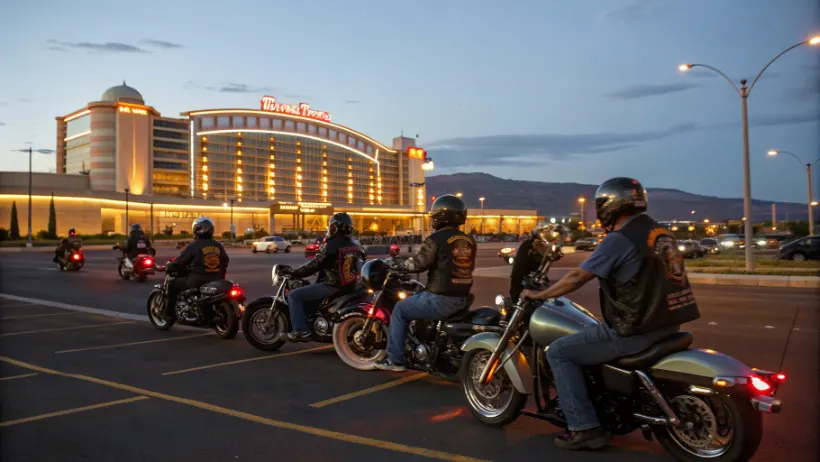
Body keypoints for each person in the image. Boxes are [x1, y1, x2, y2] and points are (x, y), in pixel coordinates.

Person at [520, 177, 701, 451]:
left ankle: (584, 427)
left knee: (558, 352)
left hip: (634, 329)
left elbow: (579, 276)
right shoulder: (659, 233)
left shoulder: (620, 239)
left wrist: (541, 294)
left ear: (609, 206)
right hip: (668, 324)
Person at [374, 195, 477, 372]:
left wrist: (397, 264)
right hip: (462, 297)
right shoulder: (469, 240)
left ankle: (394, 359)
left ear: (440, 216)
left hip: (440, 298)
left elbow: (418, 263)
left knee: (400, 310)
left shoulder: (436, 239)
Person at [282, 212, 366, 342]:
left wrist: (294, 272)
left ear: (335, 228)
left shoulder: (332, 245)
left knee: (294, 295)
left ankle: (301, 331)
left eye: (331, 227)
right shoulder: (355, 245)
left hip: (332, 285)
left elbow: (314, 265)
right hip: (350, 285)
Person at [163, 217, 230, 320]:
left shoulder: (193, 245)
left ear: (196, 229)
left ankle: (169, 315)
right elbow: (225, 260)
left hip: (197, 280)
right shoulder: (218, 245)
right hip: (216, 279)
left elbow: (180, 262)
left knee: (172, 284)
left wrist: (170, 266)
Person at [509, 224, 564, 301]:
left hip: (535, 279)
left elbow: (551, 257)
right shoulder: (531, 245)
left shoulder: (543, 246)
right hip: (523, 281)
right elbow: (520, 268)